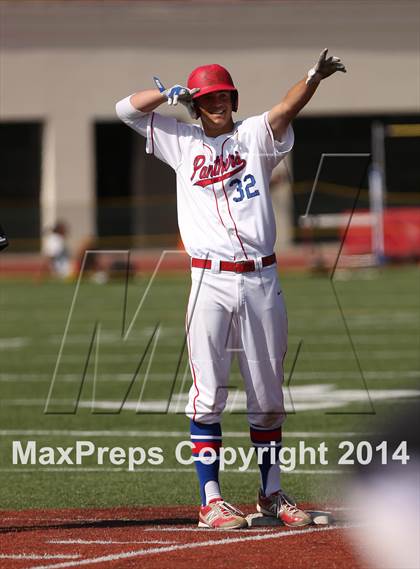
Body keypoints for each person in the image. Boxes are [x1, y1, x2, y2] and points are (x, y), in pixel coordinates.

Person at [116, 49, 346, 530]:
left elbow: (285, 108)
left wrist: (313, 78)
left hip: (262, 277)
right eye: (209, 97)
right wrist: (169, 91)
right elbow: (126, 110)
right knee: (207, 394)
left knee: (268, 396)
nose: (218, 102)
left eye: (224, 95)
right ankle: (211, 501)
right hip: (210, 280)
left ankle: (271, 494)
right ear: (195, 105)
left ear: (233, 99)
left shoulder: (253, 136)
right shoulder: (179, 140)